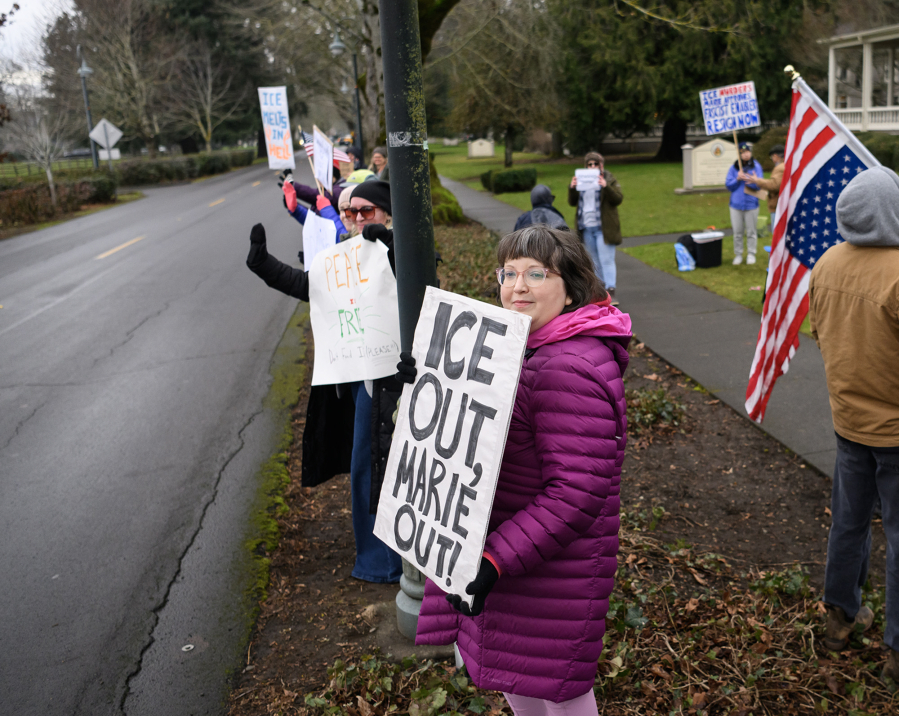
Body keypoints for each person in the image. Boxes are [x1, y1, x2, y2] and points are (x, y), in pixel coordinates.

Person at [407, 225, 632, 715]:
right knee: (522, 677)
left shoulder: (563, 367)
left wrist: (493, 561)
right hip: (521, 561)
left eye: (537, 273)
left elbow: (575, 492)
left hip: (542, 570)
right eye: (508, 273)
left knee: (559, 694)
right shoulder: (526, 348)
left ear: (571, 289)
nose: (518, 286)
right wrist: (436, 379)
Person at [246, 179, 403, 584]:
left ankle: (386, 564)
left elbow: (422, 280)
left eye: (365, 211)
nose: (354, 219)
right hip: (354, 373)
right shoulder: (342, 256)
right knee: (364, 463)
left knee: (375, 466)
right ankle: (380, 560)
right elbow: (308, 286)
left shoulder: (400, 246)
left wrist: (390, 246)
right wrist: (265, 267)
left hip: (391, 377)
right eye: (349, 212)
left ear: (387, 213)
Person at [809, 166, 899, 690]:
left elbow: (821, 334)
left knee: (849, 522)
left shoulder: (826, 263)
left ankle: (839, 619)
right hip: (893, 431)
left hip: (849, 423)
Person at [567, 152, 624, 303]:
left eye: (595, 164)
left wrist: (606, 187)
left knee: (607, 260)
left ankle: (611, 290)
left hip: (603, 227)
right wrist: (572, 188)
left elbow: (618, 199)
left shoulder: (609, 179)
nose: (592, 167)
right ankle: (601, 292)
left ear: (601, 165)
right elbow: (572, 202)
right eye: (589, 164)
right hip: (586, 226)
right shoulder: (582, 180)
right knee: (594, 262)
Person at [726, 142, 763, 265]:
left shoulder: (756, 166)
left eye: (747, 152)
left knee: (751, 231)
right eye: (742, 153)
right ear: (739, 155)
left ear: (750, 153)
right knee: (737, 232)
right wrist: (737, 178)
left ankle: (751, 254)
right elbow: (729, 185)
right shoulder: (734, 168)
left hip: (751, 205)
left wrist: (749, 179)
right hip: (736, 205)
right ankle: (738, 254)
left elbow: (759, 185)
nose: (745, 154)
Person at [752, 144, 785, 225]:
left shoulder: (780, 167)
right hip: (781, 204)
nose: (772, 159)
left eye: (772, 157)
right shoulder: (787, 165)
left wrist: (757, 181)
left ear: (775, 155)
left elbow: (774, 185)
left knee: (777, 233)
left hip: (778, 206)